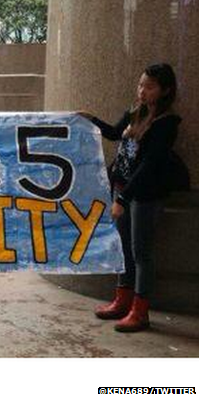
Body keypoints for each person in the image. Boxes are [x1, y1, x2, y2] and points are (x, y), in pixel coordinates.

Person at [79, 63, 186, 333]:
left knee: (141, 252)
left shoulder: (166, 124)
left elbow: (149, 166)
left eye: (149, 87)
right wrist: (90, 118)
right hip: (122, 188)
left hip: (144, 195)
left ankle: (140, 312)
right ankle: (122, 301)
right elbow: (115, 134)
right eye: (141, 85)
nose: (142, 91)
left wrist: (122, 199)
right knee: (123, 248)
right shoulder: (134, 112)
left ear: (165, 90)